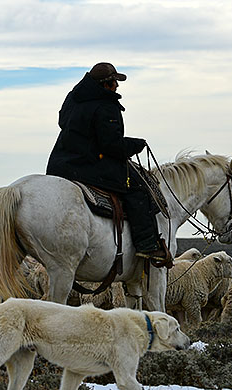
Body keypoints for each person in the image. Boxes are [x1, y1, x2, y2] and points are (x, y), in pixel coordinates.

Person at [46, 62, 172, 266]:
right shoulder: (106, 106)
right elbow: (111, 146)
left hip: (60, 163)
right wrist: (136, 144)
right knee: (138, 188)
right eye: (114, 82)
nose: (117, 86)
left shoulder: (73, 98)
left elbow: (64, 123)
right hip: (90, 165)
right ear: (105, 84)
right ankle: (147, 245)